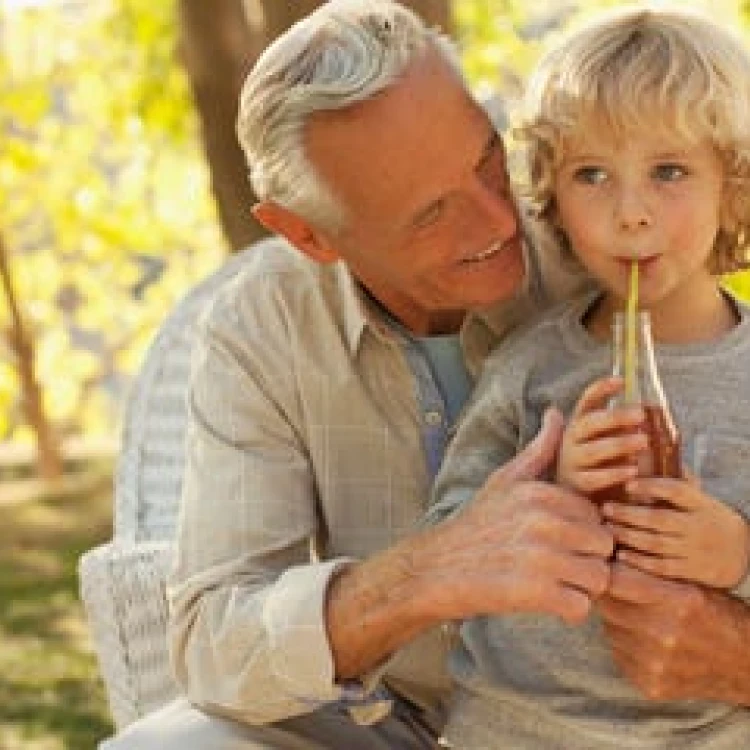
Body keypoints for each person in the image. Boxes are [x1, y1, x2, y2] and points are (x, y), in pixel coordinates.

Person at [428, 6, 750, 748]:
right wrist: (550, 495)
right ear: (553, 198)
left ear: (731, 187)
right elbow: (448, 540)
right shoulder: (529, 366)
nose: (630, 213)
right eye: (592, 175)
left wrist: (737, 554)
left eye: (668, 171)